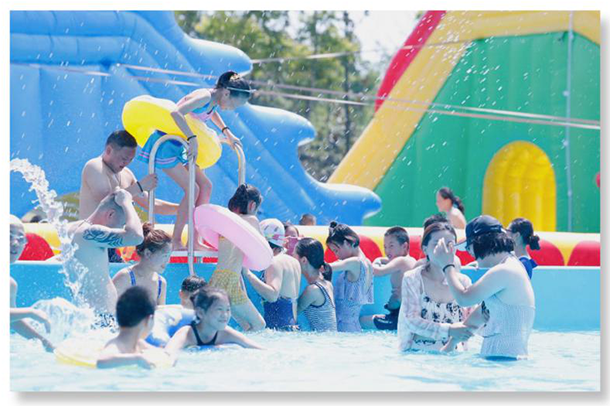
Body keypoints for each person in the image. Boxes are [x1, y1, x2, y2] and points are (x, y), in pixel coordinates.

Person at [136, 71, 253, 251]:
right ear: (226, 93)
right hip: (167, 145)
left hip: (180, 147)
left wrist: (227, 132)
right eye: (234, 104)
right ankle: (176, 240)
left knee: (206, 186)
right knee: (193, 189)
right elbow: (176, 113)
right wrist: (192, 138)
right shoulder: (204, 96)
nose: (232, 108)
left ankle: (194, 239)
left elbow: (211, 113)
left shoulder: (213, 101)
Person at [432, 215, 536, 360]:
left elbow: (464, 298)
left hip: (503, 362)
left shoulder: (505, 270)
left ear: (478, 243)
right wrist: (451, 344)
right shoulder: (511, 267)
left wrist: (447, 266)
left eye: (468, 247)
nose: (469, 253)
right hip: (503, 362)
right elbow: (480, 314)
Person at [79, 130, 177, 262]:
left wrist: (183, 208)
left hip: (110, 246)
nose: (126, 163)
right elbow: (108, 201)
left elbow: (151, 204)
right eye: (124, 158)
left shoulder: (127, 174)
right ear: (108, 150)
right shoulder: (94, 166)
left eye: (130, 160)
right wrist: (140, 186)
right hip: (90, 242)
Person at [397, 222, 473, 352]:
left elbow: (475, 321)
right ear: (425, 249)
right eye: (437, 244)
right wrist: (449, 330)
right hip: (417, 354)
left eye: (449, 244)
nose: (443, 250)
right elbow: (411, 321)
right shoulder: (413, 278)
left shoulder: (464, 281)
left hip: (455, 355)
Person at [68, 190, 144, 321]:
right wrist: (126, 203)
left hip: (90, 314)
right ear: (110, 214)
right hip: (99, 317)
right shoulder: (91, 232)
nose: (121, 228)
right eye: (122, 224)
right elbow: (136, 237)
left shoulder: (72, 228)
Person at [207, 184, 265, 331]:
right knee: (259, 325)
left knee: (246, 325)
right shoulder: (251, 220)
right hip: (230, 282)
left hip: (217, 279)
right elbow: (263, 248)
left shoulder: (226, 222)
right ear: (252, 205)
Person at [165, 287, 263, 354]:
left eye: (228, 310)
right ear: (200, 312)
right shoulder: (187, 333)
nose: (225, 315)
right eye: (219, 309)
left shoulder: (226, 333)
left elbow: (259, 349)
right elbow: (168, 353)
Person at [242, 219, 301, 331]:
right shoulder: (293, 261)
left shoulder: (274, 262)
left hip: (278, 330)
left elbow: (272, 295)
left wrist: (248, 274)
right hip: (292, 328)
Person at [10, 215, 54, 352]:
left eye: (21, 239)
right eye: (9, 236)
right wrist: (30, 312)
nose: (15, 243)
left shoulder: (10, 284)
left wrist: (46, 344)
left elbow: (13, 321)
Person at [97, 286, 171, 369]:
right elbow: (101, 362)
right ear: (149, 319)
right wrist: (137, 359)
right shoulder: (117, 345)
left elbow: (162, 354)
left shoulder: (139, 343)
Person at [361, 227, 416, 331]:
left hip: (400, 320)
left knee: (361, 321)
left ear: (404, 246)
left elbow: (377, 272)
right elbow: (385, 260)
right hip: (403, 317)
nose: (387, 251)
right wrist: (379, 260)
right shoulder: (409, 261)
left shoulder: (401, 261)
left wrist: (362, 261)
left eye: (391, 246)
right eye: (385, 247)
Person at [326, 222, 374, 332]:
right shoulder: (367, 263)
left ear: (347, 243)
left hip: (344, 328)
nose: (336, 255)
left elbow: (326, 267)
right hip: (354, 327)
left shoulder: (355, 263)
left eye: (336, 250)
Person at [112, 223, 170, 305]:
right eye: (165, 256)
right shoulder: (125, 278)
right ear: (148, 254)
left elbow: (160, 312)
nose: (168, 261)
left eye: (169, 256)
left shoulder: (161, 283)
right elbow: (109, 309)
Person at [295, 238, 337, 332]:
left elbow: (293, 313)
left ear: (304, 260)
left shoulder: (313, 290)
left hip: (321, 340)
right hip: (330, 338)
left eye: (294, 256)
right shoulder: (327, 284)